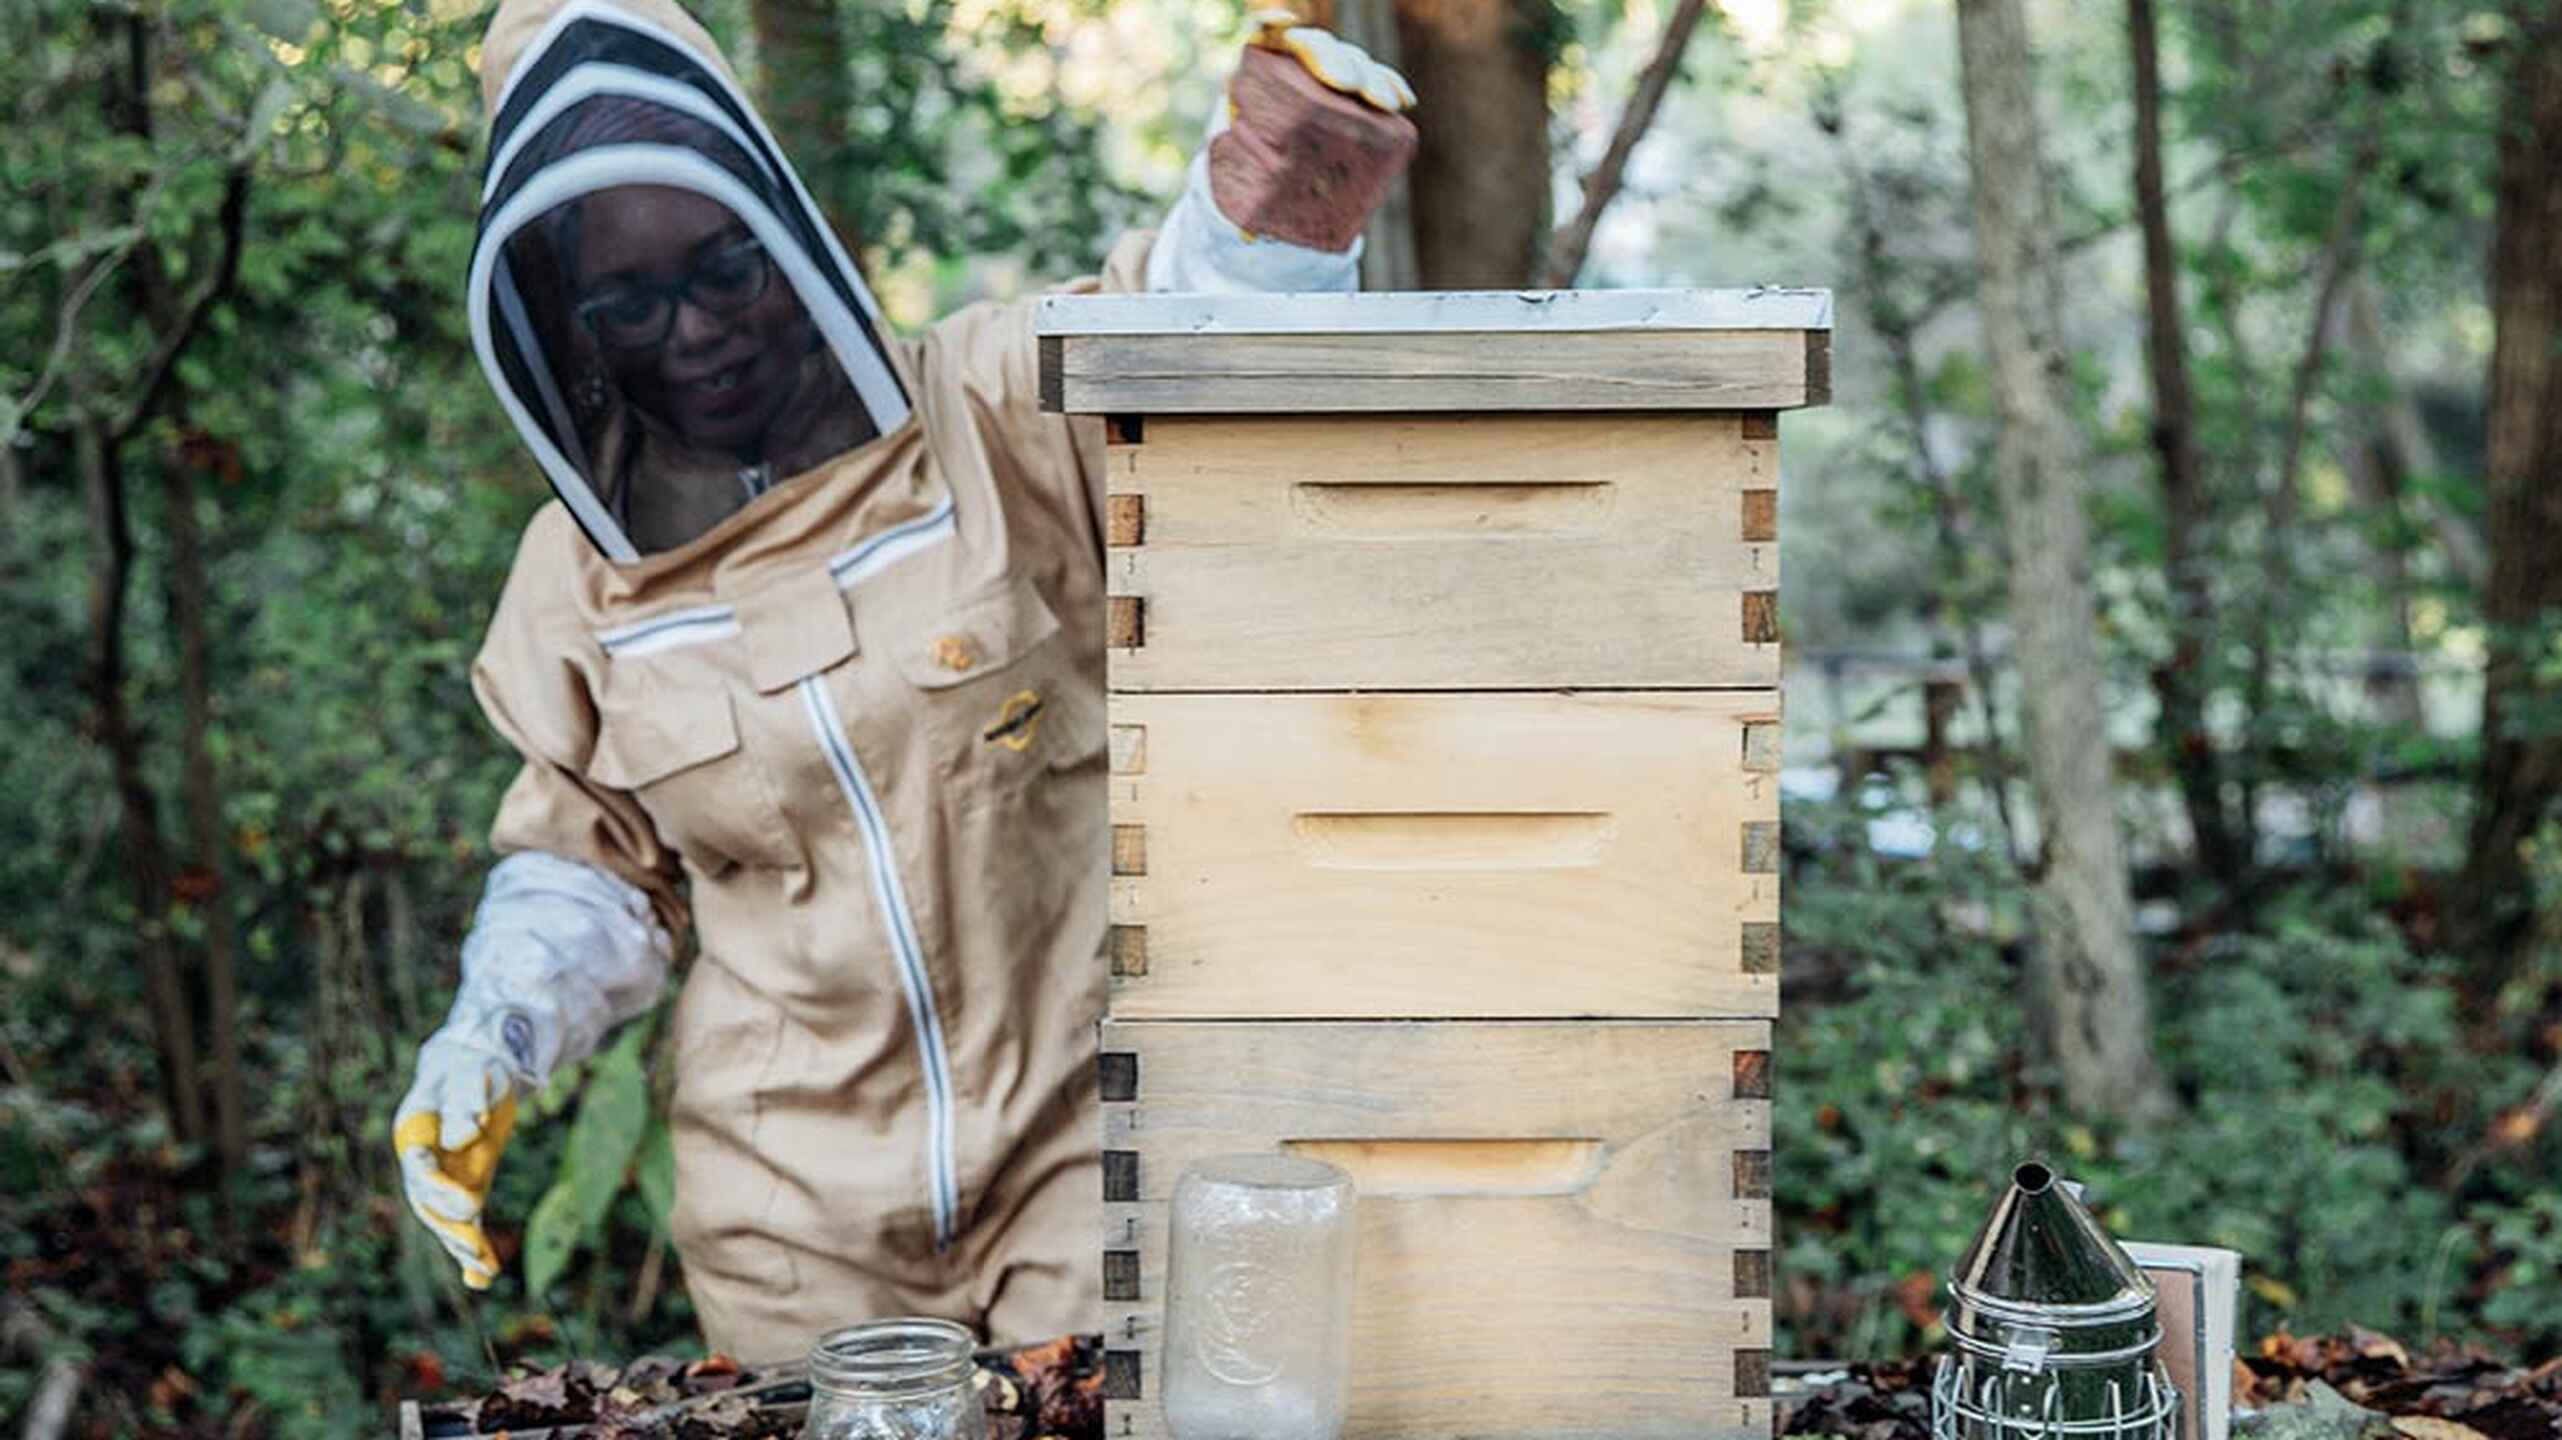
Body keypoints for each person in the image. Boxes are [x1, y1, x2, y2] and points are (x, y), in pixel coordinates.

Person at [390, 0, 1416, 1364]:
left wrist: (1266, 207)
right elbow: (593, 864)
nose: (693, 329)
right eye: (630, 302)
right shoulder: (574, 585)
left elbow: (1172, 343)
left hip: (1087, 1127)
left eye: (723, 269)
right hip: (786, 1211)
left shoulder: (985, 416)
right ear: (572, 333)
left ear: (790, 244)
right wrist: (495, 1026)